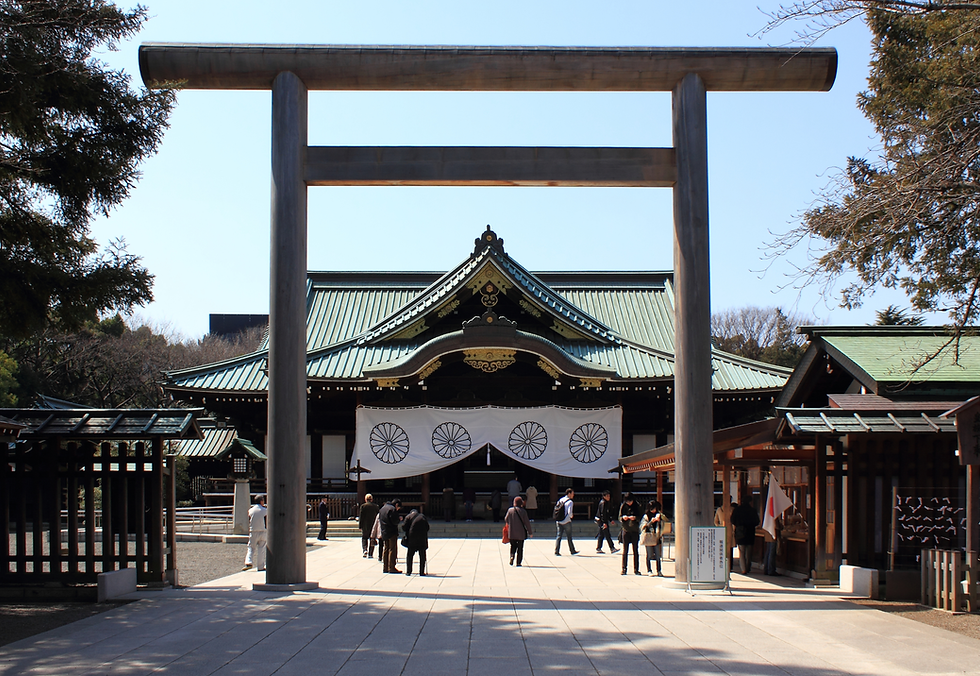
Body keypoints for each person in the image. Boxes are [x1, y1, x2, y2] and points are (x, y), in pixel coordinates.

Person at [730, 493, 760, 574]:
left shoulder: (737, 510)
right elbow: (757, 521)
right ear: (750, 502)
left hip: (740, 532)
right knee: (749, 552)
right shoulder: (752, 510)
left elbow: (732, 520)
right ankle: (747, 567)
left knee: (742, 552)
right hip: (750, 532)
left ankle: (743, 569)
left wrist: (739, 524)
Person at [504, 496, 533, 566]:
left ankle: (512, 556)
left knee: (513, 546)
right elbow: (527, 523)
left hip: (512, 533)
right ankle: (518, 562)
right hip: (521, 533)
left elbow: (506, 519)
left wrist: (511, 523)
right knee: (520, 548)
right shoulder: (523, 511)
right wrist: (530, 532)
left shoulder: (510, 510)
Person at [618, 492, 642, 575]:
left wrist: (635, 518)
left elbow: (641, 517)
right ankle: (624, 568)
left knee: (635, 550)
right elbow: (619, 517)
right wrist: (623, 518)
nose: (628, 503)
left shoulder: (637, 506)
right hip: (626, 530)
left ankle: (636, 569)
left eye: (630, 501)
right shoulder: (623, 506)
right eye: (627, 501)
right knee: (625, 550)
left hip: (634, 530)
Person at [402, 507, 430, 575]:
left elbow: (404, 527)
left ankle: (409, 571)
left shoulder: (408, 517)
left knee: (410, 556)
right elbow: (427, 527)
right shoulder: (423, 516)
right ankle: (421, 572)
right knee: (422, 556)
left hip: (412, 538)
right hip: (422, 538)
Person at [243, 494, 267, 571]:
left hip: (253, 530)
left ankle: (248, 562)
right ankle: (260, 566)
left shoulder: (250, 510)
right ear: (261, 501)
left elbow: (248, 520)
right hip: (262, 531)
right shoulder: (265, 510)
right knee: (261, 548)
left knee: (251, 547)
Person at [640, 500, 664, 576]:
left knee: (657, 555)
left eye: (655, 509)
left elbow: (665, 523)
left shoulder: (659, 515)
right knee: (649, 554)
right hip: (649, 537)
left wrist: (659, 520)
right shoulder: (646, 516)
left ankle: (659, 570)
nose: (654, 510)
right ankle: (649, 570)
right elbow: (643, 527)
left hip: (656, 537)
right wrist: (651, 522)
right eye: (652, 509)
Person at [379, 498, 402, 573]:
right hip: (391, 531)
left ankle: (385, 567)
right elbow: (394, 521)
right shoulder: (392, 509)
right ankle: (391, 567)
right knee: (392, 549)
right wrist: (399, 519)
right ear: (396, 505)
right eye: (398, 508)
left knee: (386, 549)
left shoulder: (383, 508)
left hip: (384, 531)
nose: (398, 509)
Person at [554, 488, 578, 556]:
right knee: (569, 536)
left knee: (559, 536)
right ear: (569, 494)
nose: (573, 495)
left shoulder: (561, 499)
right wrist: (571, 516)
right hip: (566, 521)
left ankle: (556, 551)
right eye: (572, 494)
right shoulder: (570, 502)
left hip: (559, 520)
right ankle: (572, 550)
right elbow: (569, 512)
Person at [358, 493, 380, 558]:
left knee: (364, 538)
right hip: (373, 524)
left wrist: (360, 526)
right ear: (372, 499)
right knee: (372, 538)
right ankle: (370, 553)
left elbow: (361, 517)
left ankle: (365, 549)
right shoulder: (376, 506)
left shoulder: (363, 506)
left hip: (365, 525)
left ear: (365, 499)